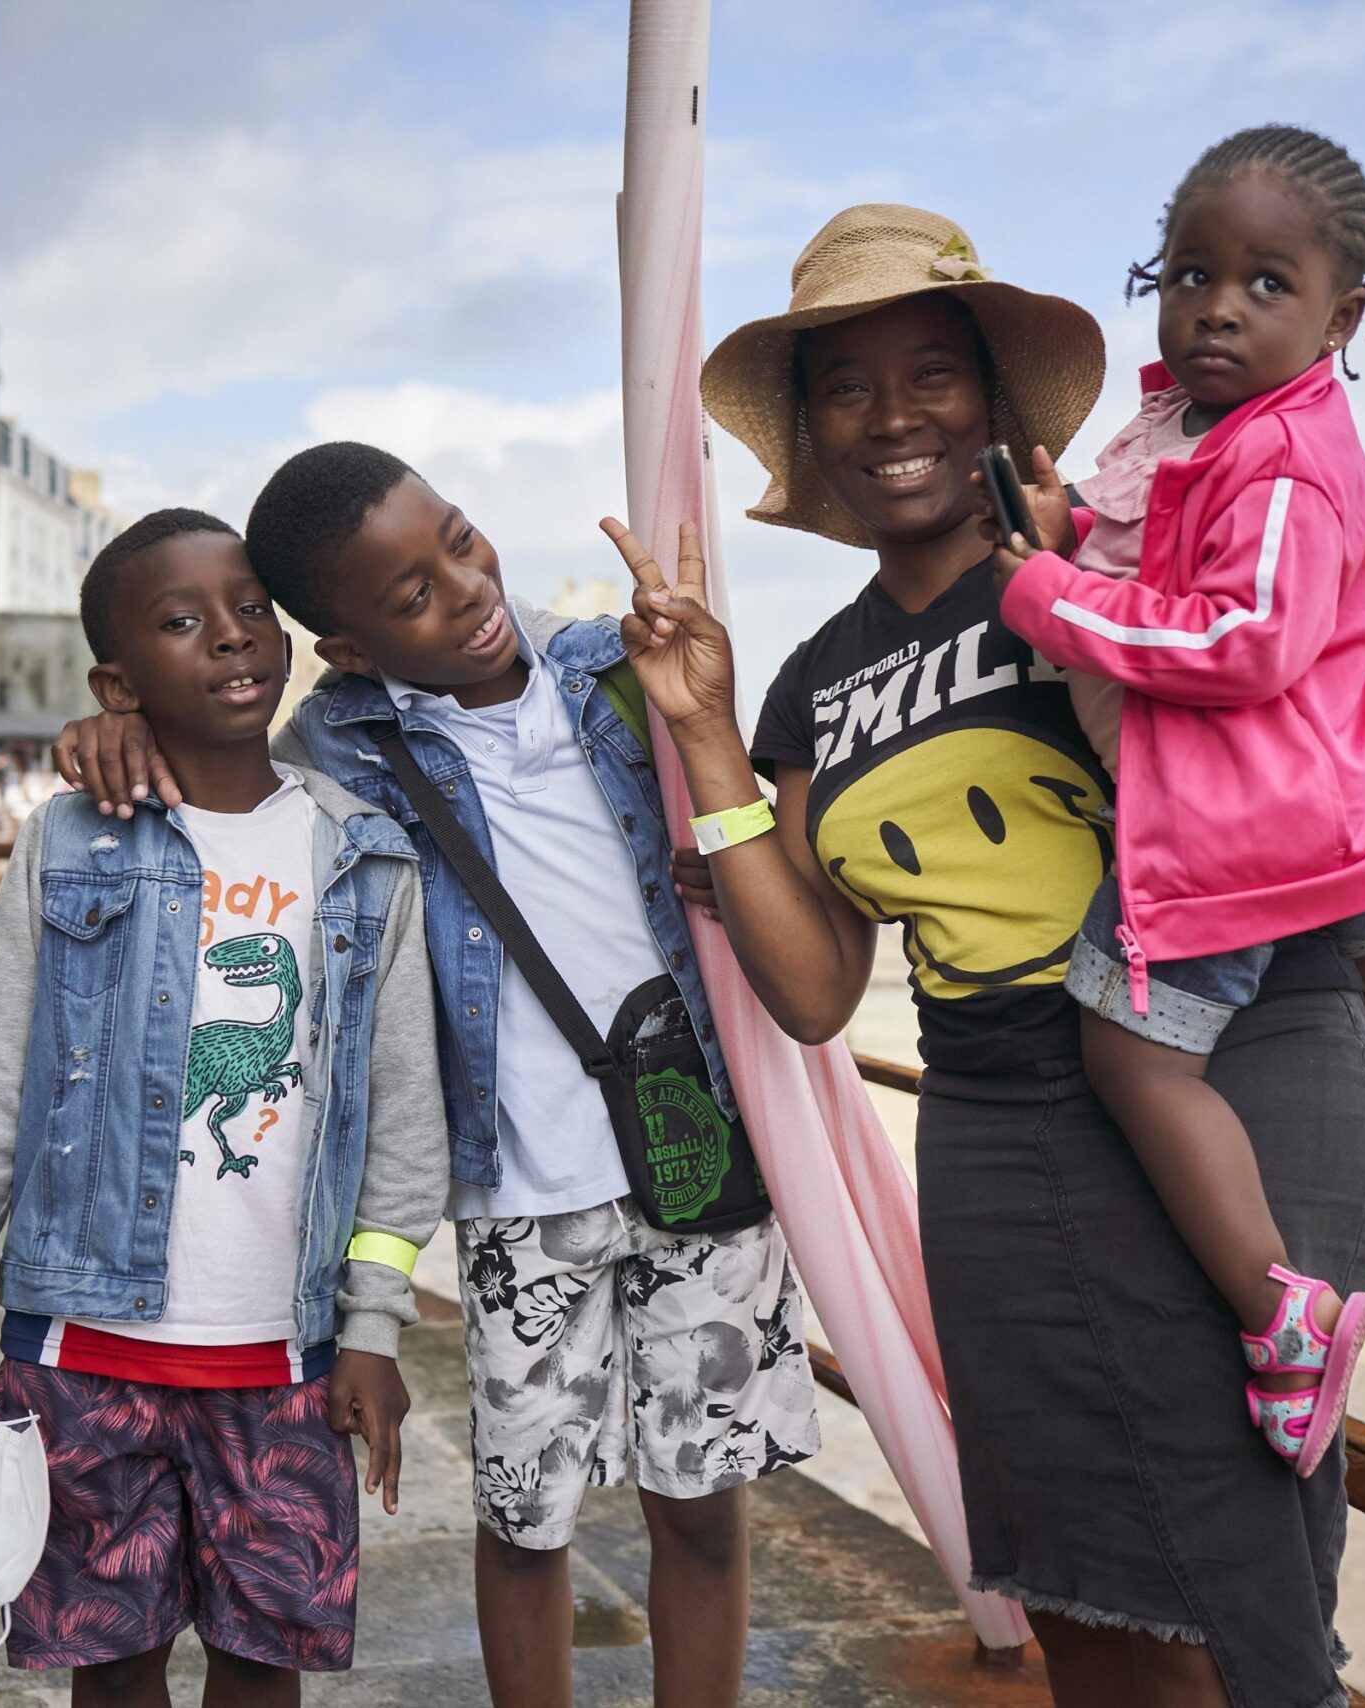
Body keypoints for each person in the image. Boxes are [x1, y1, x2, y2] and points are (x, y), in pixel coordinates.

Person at [605, 202, 1365, 1704]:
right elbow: (819, 989)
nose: (893, 415)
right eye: (848, 386)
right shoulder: (815, 687)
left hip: (1228, 1069)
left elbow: (1285, 687)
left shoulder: (1101, 559)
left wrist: (1091, 572)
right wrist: (704, 734)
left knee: (1237, 1559)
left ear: (990, 397)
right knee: (1073, 1570)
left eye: (930, 373)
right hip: (994, 1125)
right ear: (815, 431)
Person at [58, 448, 820, 1708]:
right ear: (348, 651)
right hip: (519, 1193)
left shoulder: (617, 674)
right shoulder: (338, 752)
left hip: (696, 1155)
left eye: (461, 541)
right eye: (409, 597)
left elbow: (733, 823)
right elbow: (218, 764)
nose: (466, 589)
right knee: (526, 1520)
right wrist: (117, 720)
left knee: (701, 1503)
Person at [979, 127, 1365, 1472]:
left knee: (1135, 1056)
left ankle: (1279, 1311)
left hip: (1235, 819)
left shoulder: (1280, 462)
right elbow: (1146, 539)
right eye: (1192, 272)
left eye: (1267, 285)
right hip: (1327, 793)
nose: (1219, 305)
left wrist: (1046, 596)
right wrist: (1072, 537)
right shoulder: (1202, 422)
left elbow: (1241, 641)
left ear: (1342, 315)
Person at [0, 509, 447, 1704]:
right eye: (182, 622)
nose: (234, 637)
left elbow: (403, 1116)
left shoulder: (362, 851)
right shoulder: (68, 845)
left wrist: (373, 1321)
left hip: (283, 1355)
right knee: (113, 1670)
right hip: (82, 1348)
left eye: (251, 605)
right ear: (117, 680)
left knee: (265, 1668)